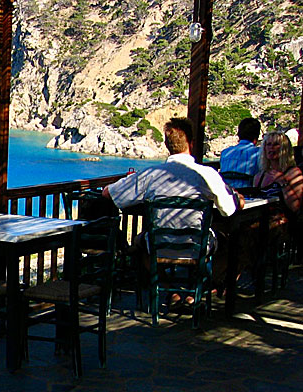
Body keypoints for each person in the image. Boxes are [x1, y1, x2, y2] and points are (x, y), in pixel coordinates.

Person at [103, 118, 241, 302]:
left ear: (167, 145)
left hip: (159, 246)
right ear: (191, 143)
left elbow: (109, 193)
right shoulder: (208, 175)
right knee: (231, 243)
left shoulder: (151, 174)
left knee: (141, 244)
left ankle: (171, 291)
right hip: (198, 246)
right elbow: (229, 211)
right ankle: (196, 291)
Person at [253, 131, 303, 214]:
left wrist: (283, 182)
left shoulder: (294, 173)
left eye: (276, 144)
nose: (271, 147)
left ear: (284, 149)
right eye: (268, 144)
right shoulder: (259, 176)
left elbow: (296, 208)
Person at [219, 117, 261, 189]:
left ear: (239, 134)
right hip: (249, 195)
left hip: (228, 194)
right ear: (257, 136)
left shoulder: (225, 153)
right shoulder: (260, 153)